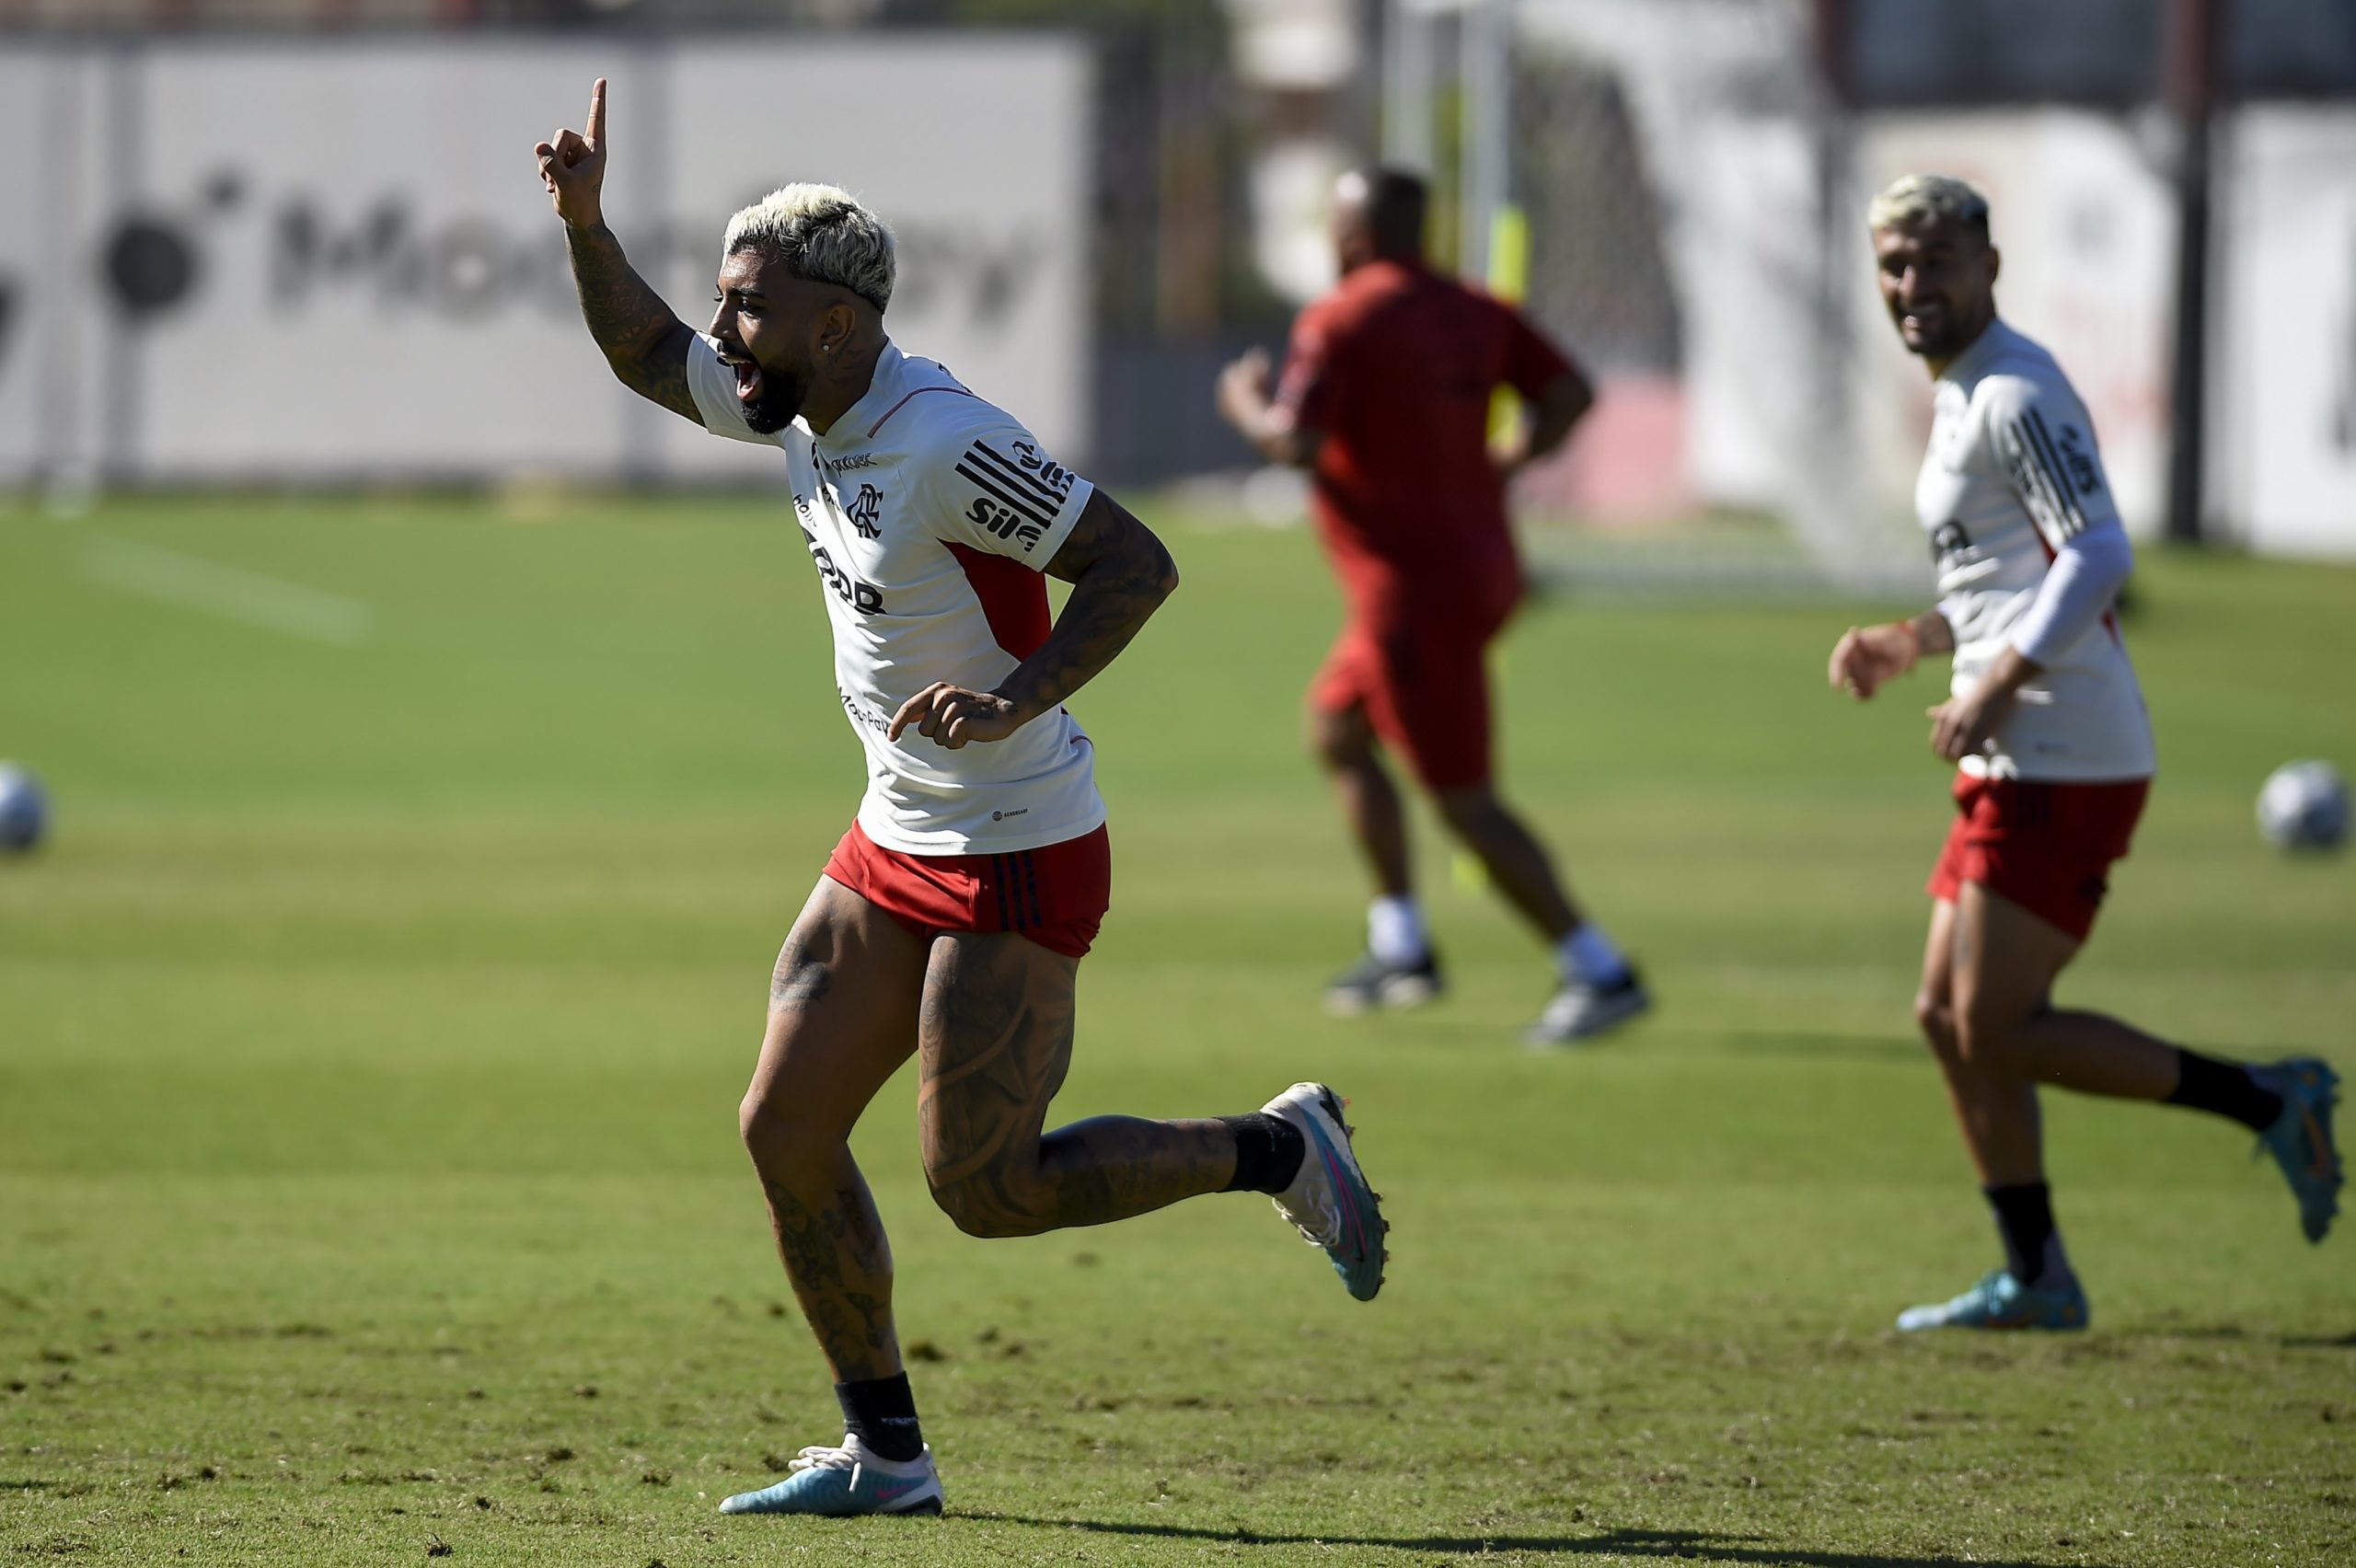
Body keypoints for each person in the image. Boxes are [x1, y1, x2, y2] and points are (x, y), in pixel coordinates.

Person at [534, 80, 1387, 1516]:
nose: (722, 328)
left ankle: (1281, 1148)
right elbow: (645, 352)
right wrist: (585, 224)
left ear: (837, 326)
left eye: (749, 306)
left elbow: (1136, 564)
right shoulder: (795, 402)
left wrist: (1016, 698)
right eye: (726, 301)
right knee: (783, 1128)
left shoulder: (944, 441)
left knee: (987, 1191)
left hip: (1017, 845)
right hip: (893, 832)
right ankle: (888, 1457)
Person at [1829, 173, 2340, 1332]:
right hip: (2014, 751)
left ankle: (2270, 1099)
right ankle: (2036, 1275)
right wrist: (1915, 641)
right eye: (1893, 265)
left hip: (2064, 752)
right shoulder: (1962, 392)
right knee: (1943, 1019)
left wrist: (1996, 685)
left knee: (1998, 1027)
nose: (1911, 285)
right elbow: (2001, 580)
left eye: (1935, 261)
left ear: (1988, 267)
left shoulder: (2014, 391)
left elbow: (2098, 553)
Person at [1214, 167, 1647, 1047]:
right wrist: (1508, 459)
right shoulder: (1476, 308)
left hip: (1412, 596)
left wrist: (1243, 403)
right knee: (1337, 729)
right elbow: (1571, 394)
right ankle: (1401, 944)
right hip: (1482, 567)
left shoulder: (1341, 317)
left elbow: (1294, 442)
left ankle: (1598, 969)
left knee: (1463, 800)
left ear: (1352, 236)